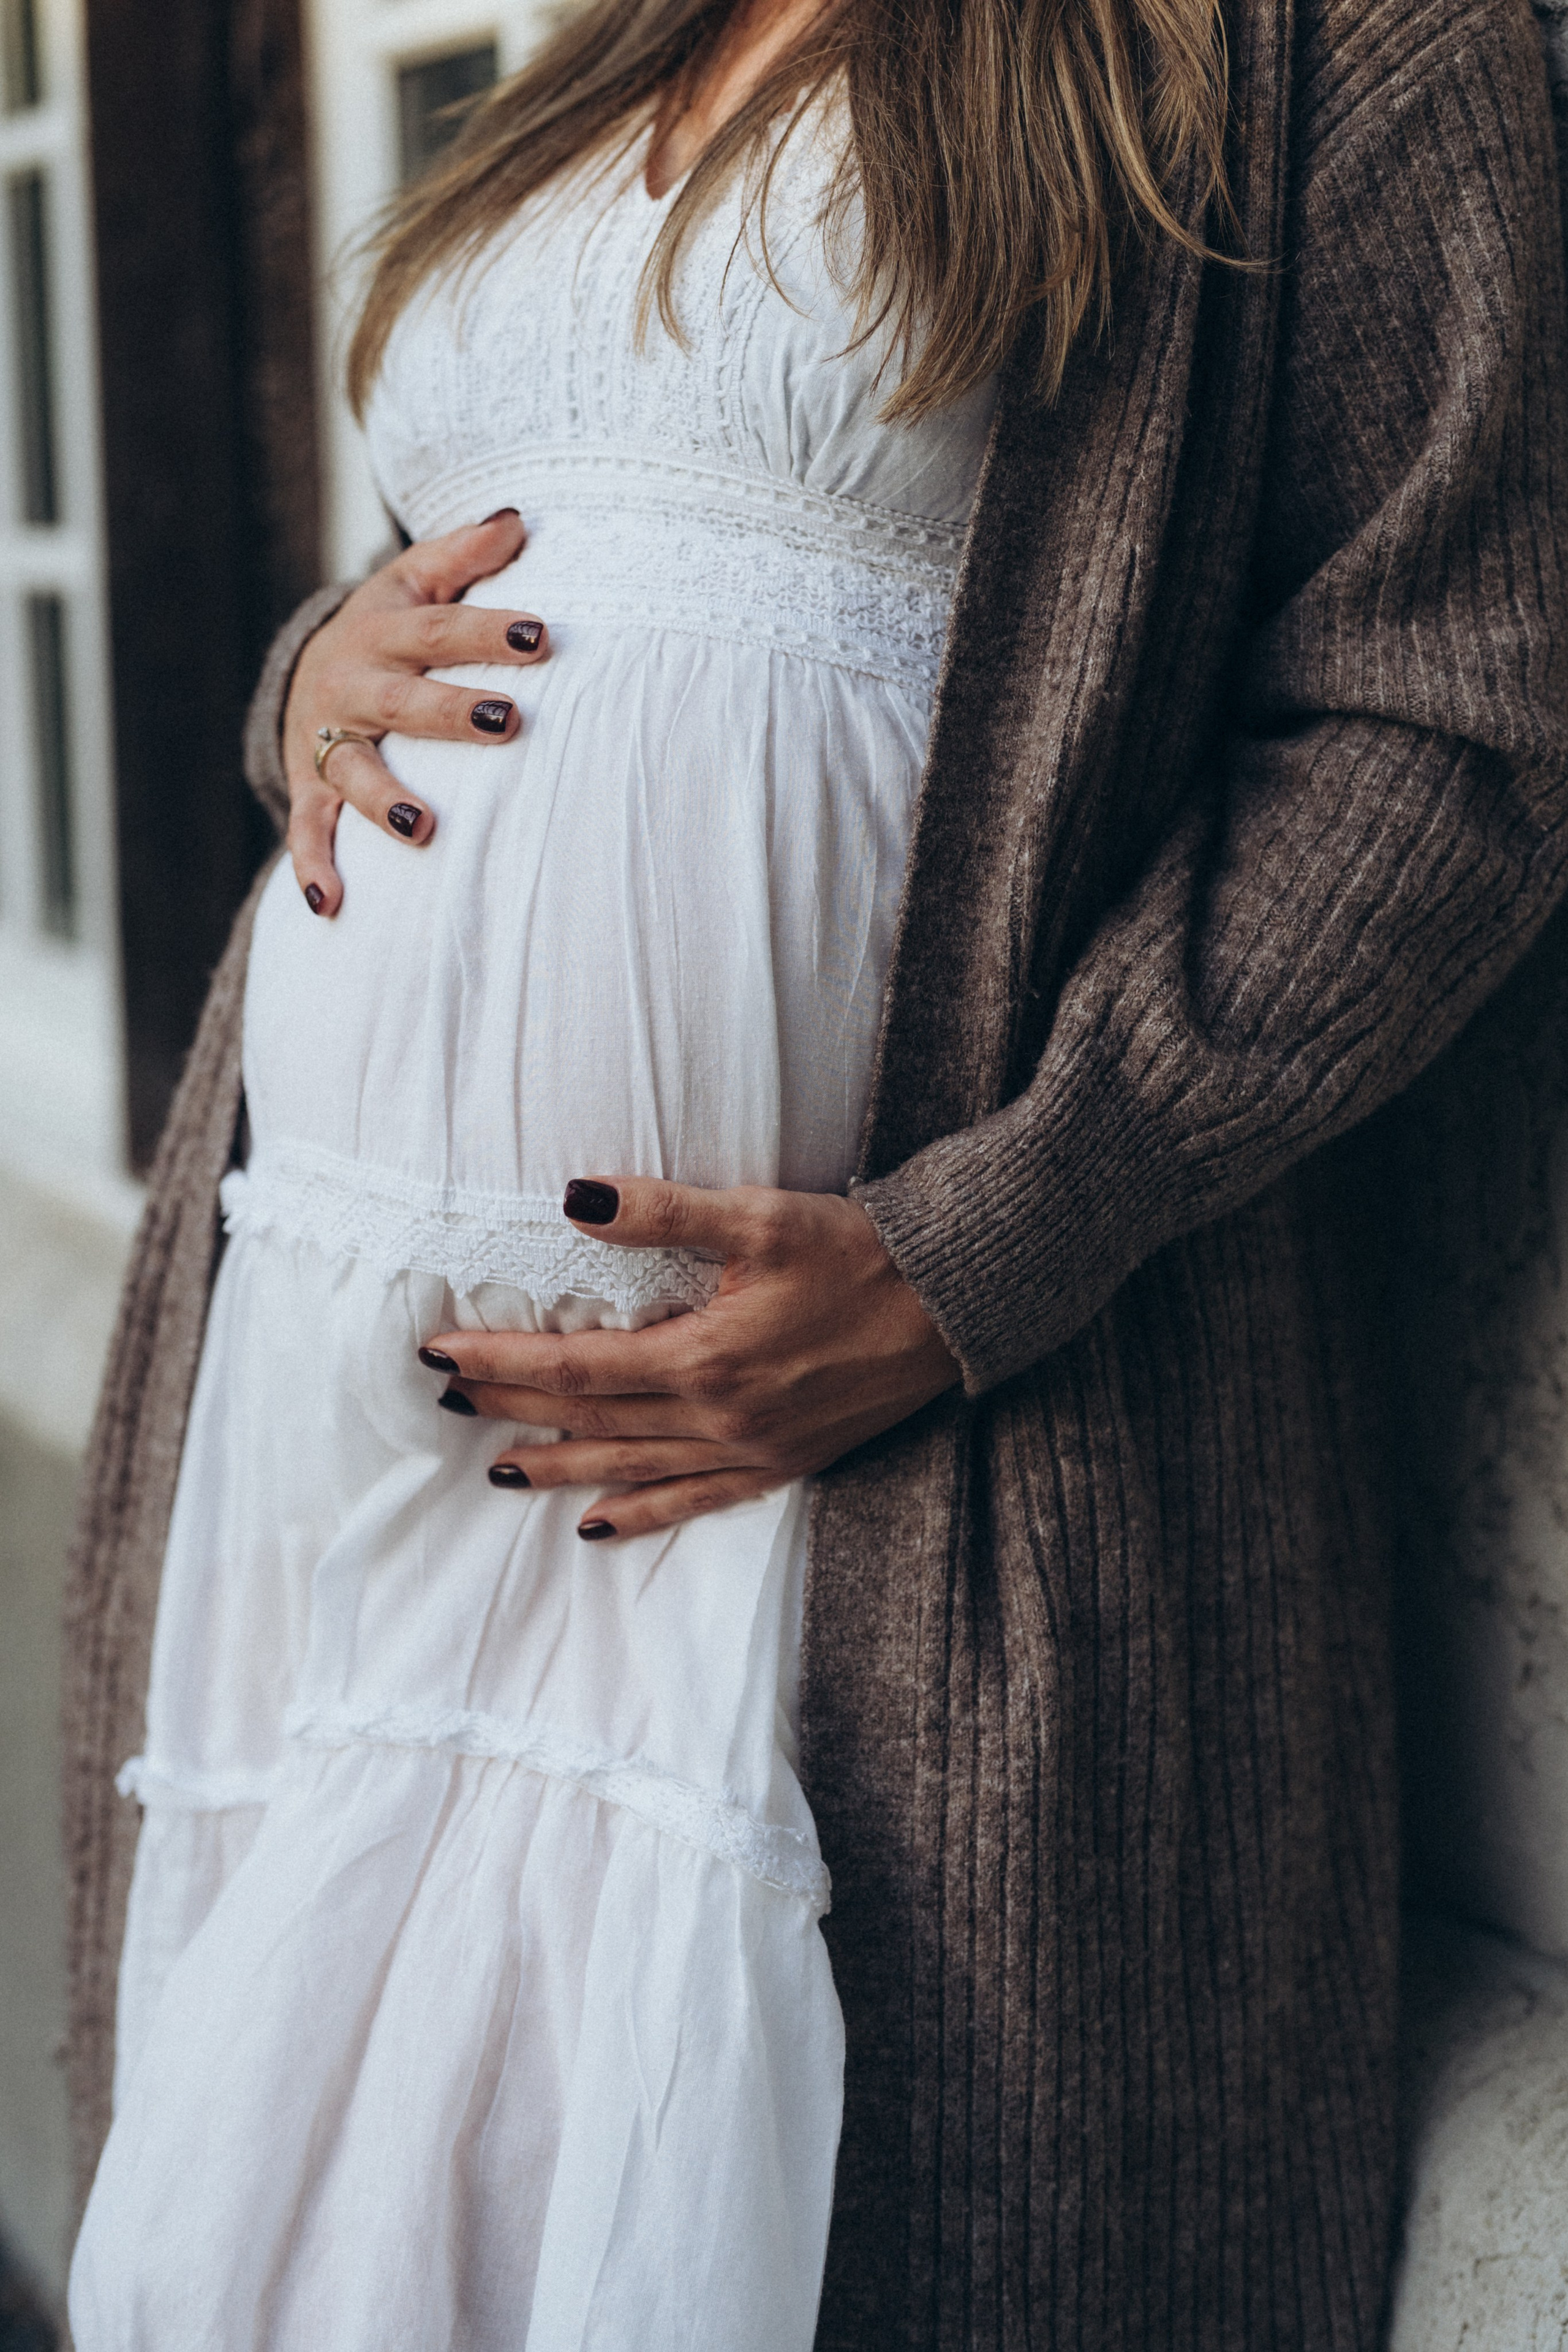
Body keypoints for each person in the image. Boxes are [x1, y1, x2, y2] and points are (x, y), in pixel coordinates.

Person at [61, 0, 1568, 2342]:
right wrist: (312, 679)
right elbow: (530, 553)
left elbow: (1453, 724)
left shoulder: (1327, 44)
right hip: (343, 1425)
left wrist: (996, 1240)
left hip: (865, 1454)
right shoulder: (620, 43)